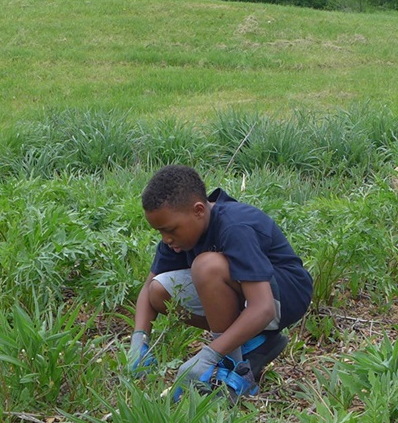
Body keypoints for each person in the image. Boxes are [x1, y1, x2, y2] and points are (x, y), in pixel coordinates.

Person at [130, 164, 314, 399]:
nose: (166, 239)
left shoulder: (235, 225)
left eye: (170, 230)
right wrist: (139, 340)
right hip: (250, 295)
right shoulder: (178, 237)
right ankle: (250, 345)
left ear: (198, 210)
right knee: (159, 291)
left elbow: (264, 307)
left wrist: (208, 355)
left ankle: (236, 370)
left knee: (207, 267)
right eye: (160, 232)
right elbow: (148, 290)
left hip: (284, 296)